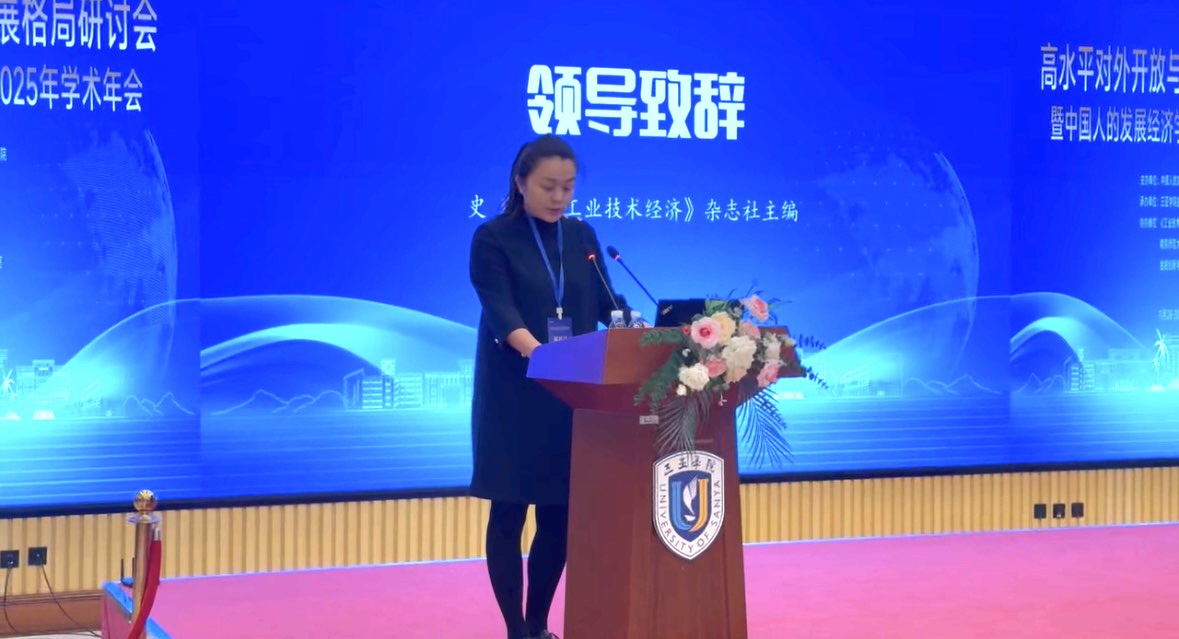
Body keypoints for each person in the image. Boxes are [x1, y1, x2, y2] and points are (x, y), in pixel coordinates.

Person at [467, 134, 628, 639]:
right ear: (520, 183)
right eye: (548, 186)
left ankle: (537, 624)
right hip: (513, 395)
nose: (560, 197)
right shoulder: (492, 238)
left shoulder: (581, 236)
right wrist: (542, 354)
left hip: (568, 394)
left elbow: (607, 303)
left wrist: (635, 326)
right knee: (509, 510)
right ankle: (515, 629)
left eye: (568, 187)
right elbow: (501, 312)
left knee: (558, 513)